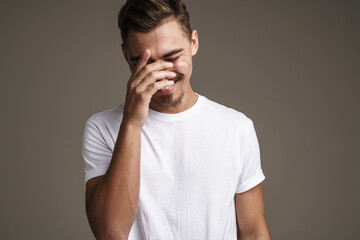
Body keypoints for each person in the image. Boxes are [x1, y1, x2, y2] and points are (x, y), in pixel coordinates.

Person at [81, 0, 271, 239]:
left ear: (193, 42)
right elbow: (110, 233)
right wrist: (131, 124)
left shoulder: (237, 128)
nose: (161, 74)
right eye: (145, 63)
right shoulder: (103, 128)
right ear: (126, 56)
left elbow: (253, 232)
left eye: (172, 56)